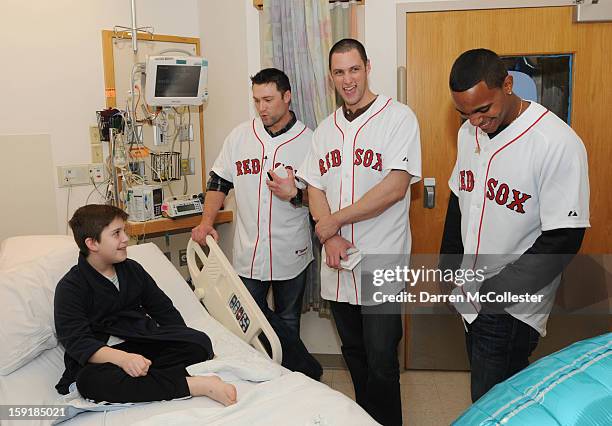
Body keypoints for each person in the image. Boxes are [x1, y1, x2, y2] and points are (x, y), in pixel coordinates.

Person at [441, 48, 589, 402]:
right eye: (464, 112)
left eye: (483, 110)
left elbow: (564, 239)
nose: (474, 121)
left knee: (491, 404)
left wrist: (495, 290)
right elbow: (457, 202)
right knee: (487, 398)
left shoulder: (556, 142)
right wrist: (448, 272)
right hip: (471, 294)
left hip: (510, 305)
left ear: (507, 85)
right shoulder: (468, 133)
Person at [297, 38, 422, 426]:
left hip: (382, 258)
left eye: (354, 69)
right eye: (339, 72)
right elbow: (313, 185)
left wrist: (335, 220)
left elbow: (396, 185)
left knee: (383, 357)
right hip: (338, 260)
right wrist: (329, 233)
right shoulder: (326, 128)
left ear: (368, 67)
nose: (347, 80)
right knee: (354, 352)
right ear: (331, 77)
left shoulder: (398, 117)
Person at [191, 68, 321, 380]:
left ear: (287, 97)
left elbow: (322, 200)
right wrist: (207, 222)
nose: (261, 107)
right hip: (248, 251)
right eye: (256, 100)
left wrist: (295, 194)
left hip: (292, 250)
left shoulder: (310, 141)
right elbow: (218, 182)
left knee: (288, 321)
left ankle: (293, 384)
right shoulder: (240, 137)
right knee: (245, 321)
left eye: (268, 99)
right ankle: (263, 382)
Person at [54, 204, 236, 405]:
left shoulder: (132, 270)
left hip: (141, 342)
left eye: (124, 231)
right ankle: (196, 385)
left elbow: (163, 310)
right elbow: (79, 343)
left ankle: (144, 382)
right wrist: (124, 360)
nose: (125, 239)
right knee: (89, 382)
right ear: (92, 243)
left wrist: (179, 337)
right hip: (103, 358)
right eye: (116, 233)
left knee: (199, 342)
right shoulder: (70, 288)